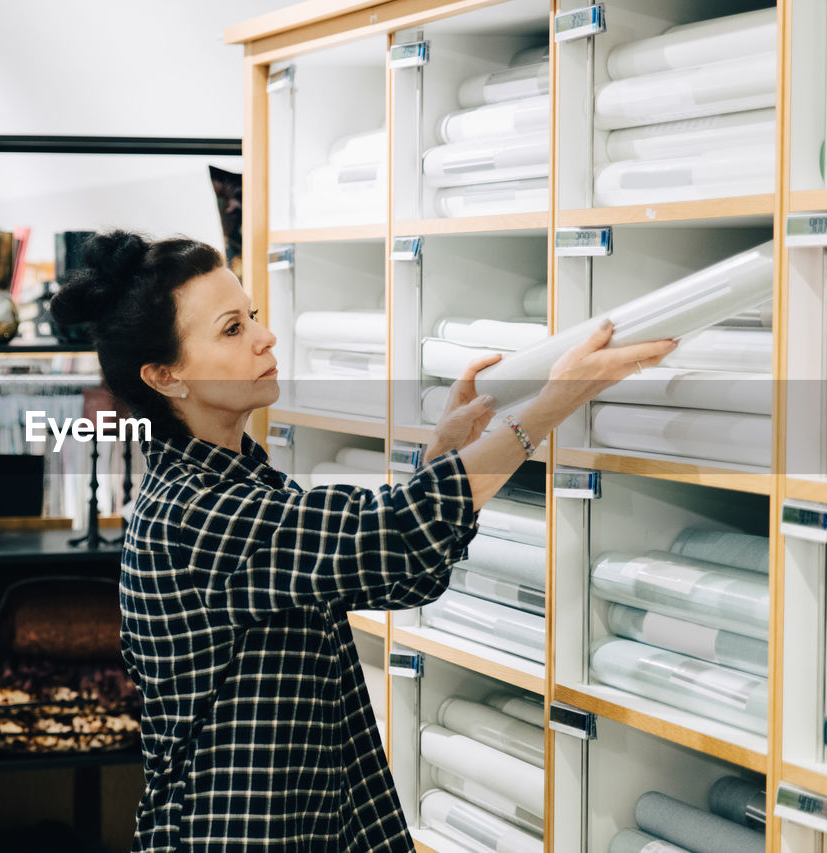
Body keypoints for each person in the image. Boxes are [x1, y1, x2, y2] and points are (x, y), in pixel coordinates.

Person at [49, 231, 676, 852]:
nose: (266, 337)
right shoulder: (195, 512)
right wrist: (552, 402)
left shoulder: (243, 478)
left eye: (255, 316)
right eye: (232, 329)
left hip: (311, 818)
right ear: (166, 377)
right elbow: (396, 537)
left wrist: (445, 455)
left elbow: (401, 574)